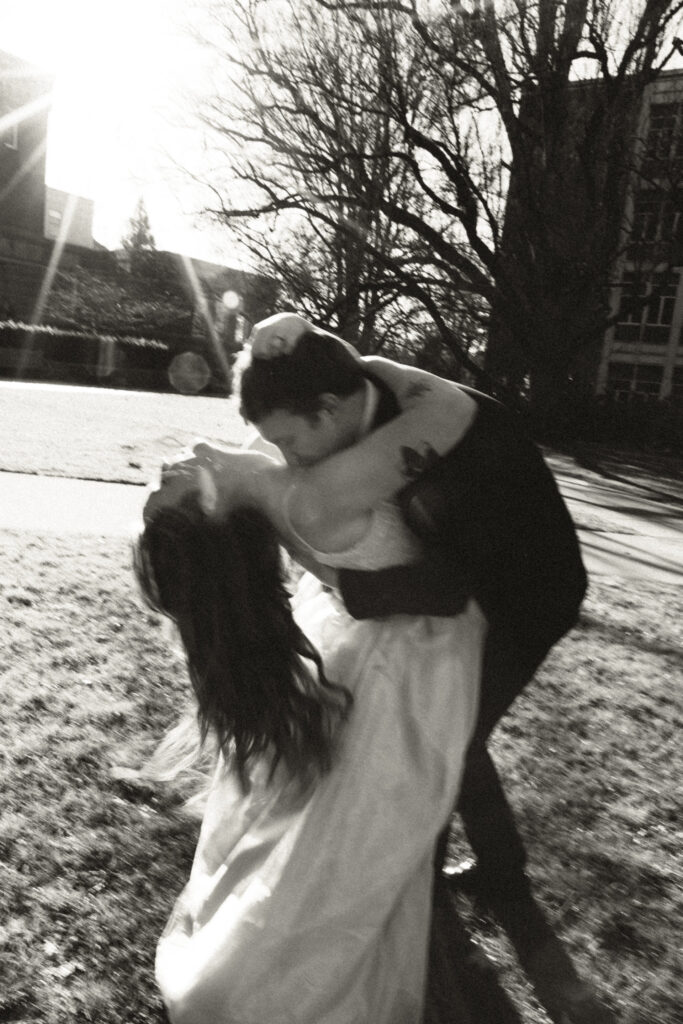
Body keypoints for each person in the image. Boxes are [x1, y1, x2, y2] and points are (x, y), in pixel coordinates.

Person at [205, 314, 613, 1024]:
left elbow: (445, 587)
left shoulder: (433, 448)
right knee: (457, 741)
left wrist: (335, 579)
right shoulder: (353, 387)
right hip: (470, 583)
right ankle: (485, 878)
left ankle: (484, 918)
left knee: (447, 741)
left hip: (525, 595)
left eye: (289, 440)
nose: (287, 456)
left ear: (329, 411)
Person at [137, 439, 487, 1023]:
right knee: (352, 832)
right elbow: (406, 590)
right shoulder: (295, 513)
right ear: (207, 514)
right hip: (404, 648)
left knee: (353, 827)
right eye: (163, 489)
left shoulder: (246, 482)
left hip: (383, 625)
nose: (168, 464)